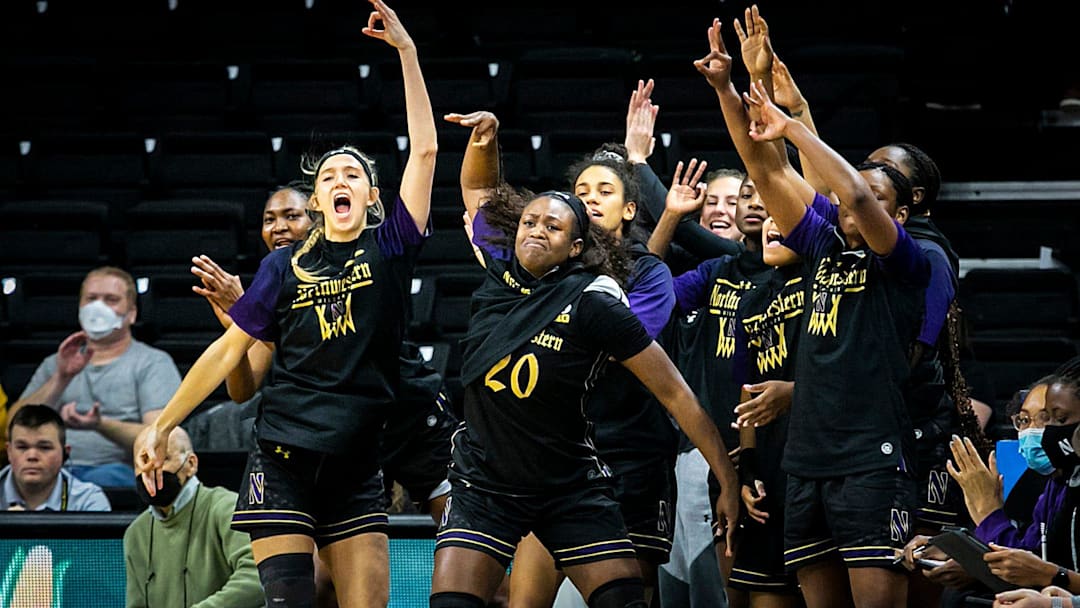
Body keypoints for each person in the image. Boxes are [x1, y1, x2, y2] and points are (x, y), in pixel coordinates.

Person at [134, 1, 437, 606]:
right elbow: (229, 353)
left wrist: (407, 53)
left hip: (356, 464)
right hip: (283, 460)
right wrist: (163, 422)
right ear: (318, 202)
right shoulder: (283, 265)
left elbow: (425, 152)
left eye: (353, 175)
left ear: (372, 196)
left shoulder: (392, 244)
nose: (341, 181)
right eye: (328, 178)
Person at [428, 137, 739, 606]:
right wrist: (485, 140)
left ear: (576, 246)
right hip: (486, 478)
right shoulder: (501, 275)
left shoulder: (598, 301)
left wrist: (729, 483)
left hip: (569, 478)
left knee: (626, 597)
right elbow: (477, 188)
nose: (535, 230)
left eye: (551, 226)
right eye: (529, 221)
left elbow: (678, 396)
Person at [696, 8, 931, 606]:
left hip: (871, 461)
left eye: (878, 201)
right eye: (855, 201)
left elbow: (848, 188)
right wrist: (727, 90)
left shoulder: (904, 262)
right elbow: (762, 168)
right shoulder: (821, 246)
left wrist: (794, 126)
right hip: (805, 463)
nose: (855, 205)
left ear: (897, 216)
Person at [10, 266, 182, 488]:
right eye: (91, 299)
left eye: (110, 299)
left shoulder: (152, 363)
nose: (98, 307)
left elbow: (164, 439)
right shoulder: (55, 362)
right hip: (50, 471)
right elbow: (13, 427)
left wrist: (100, 424)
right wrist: (61, 377)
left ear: (131, 313)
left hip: (117, 473)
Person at [124, 426, 264, 608]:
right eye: (142, 462)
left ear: (191, 464)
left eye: (163, 459)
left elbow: (257, 576)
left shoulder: (227, 508)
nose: (151, 470)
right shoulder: (136, 533)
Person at [1, 404, 110, 511]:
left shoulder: (88, 500)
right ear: (9, 452)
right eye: (22, 447)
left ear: (65, 453)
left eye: (44, 447)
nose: (32, 456)